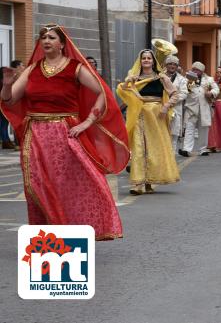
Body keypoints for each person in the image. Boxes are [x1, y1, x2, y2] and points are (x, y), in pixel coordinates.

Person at [0, 24, 129, 239]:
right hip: (36, 136)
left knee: (70, 182)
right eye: (43, 37)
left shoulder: (75, 68)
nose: (46, 41)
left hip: (65, 133)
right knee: (37, 184)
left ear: (62, 44)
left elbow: (102, 93)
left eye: (51, 37)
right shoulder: (32, 69)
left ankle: (74, 230)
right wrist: (5, 85)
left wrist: (87, 122)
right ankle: (48, 234)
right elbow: (10, 99)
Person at [117, 49, 180, 195]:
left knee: (154, 148)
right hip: (139, 114)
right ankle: (137, 183)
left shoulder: (161, 77)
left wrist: (166, 106)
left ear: (153, 61)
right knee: (139, 147)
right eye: (143, 58)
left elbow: (175, 93)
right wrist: (127, 82)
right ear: (140, 61)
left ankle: (149, 181)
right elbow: (123, 90)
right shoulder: (134, 77)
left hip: (156, 115)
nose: (146, 60)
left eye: (149, 58)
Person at [180, 61, 219, 157]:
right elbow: (185, 91)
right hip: (191, 107)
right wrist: (190, 81)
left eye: (197, 70)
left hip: (205, 108)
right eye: (193, 69)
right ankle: (186, 149)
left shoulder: (209, 79)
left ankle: (203, 149)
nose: (195, 71)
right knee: (189, 128)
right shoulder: (187, 79)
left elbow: (216, 89)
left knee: (203, 129)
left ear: (202, 71)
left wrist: (211, 93)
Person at [164, 55, 188, 154]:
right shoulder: (160, 76)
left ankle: (171, 160)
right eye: (170, 64)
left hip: (175, 110)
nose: (172, 66)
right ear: (166, 65)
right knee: (162, 134)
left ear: (177, 66)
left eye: (174, 64)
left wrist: (171, 100)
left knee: (174, 135)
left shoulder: (182, 79)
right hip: (162, 109)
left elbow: (184, 93)